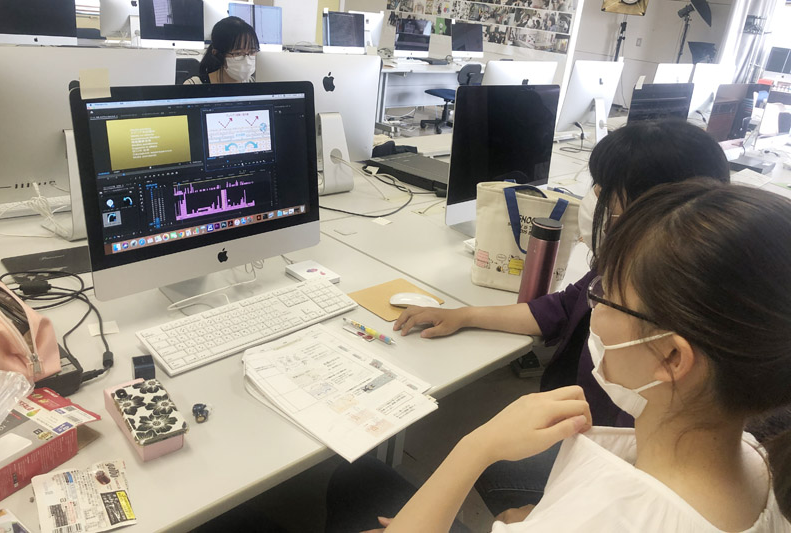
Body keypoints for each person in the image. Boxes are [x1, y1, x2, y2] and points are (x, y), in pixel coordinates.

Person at [326, 180, 791, 532]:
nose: (592, 306)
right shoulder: (760, 462)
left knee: (357, 480)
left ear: (672, 358)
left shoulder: (602, 517)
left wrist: (476, 446)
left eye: (604, 296)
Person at [393, 120, 730, 516]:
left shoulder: (664, 339)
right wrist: (465, 315)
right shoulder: (633, 273)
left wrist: (543, 513)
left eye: (604, 191)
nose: (593, 198)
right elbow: (565, 306)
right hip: (596, 444)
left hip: (608, 468)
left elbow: (643, 477)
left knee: (477, 461)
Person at [184, 16, 259, 85]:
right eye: (238, 53)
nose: (247, 61)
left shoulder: (250, 82)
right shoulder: (194, 85)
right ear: (218, 55)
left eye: (252, 52)